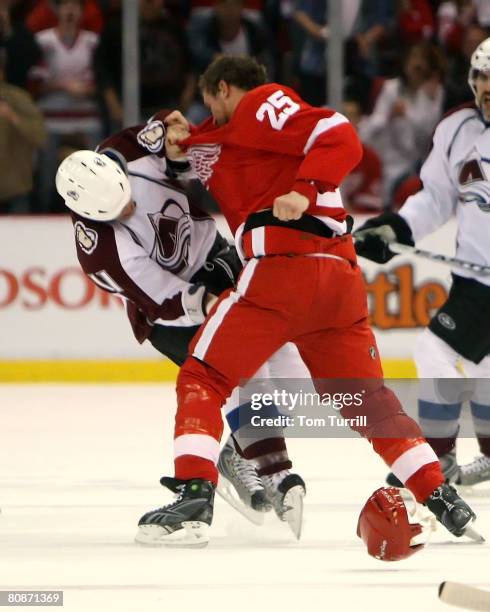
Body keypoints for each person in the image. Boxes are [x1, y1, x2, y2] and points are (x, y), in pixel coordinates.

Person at [134, 54, 478, 548]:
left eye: (212, 103)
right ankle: (442, 499)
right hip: (338, 280)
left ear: (227, 89)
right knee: (369, 402)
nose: (211, 114)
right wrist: (178, 134)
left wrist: (305, 188)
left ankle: (193, 495)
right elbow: (201, 148)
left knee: (203, 375)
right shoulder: (230, 137)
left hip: (281, 272)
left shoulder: (258, 105)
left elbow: (337, 130)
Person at [54, 113, 307, 538]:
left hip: (217, 259)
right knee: (244, 375)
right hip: (173, 317)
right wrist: (218, 303)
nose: (130, 207)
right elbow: (164, 298)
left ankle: (238, 454)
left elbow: (171, 134)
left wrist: (177, 136)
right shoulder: (99, 253)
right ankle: (229, 474)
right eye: (119, 212)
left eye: (126, 195)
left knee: (295, 376)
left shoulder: (125, 150)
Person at [354, 37, 490, 488]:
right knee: (480, 367)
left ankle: (437, 458)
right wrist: (397, 229)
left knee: (435, 351)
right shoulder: (458, 130)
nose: (488, 86)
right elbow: (434, 198)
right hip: (473, 279)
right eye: (482, 77)